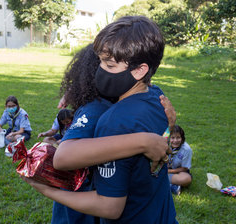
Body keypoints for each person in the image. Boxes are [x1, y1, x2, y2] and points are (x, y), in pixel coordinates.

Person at [22, 16, 178, 224]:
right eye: (99, 62)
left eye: (109, 65)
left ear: (140, 70)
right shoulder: (157, 96)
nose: (100, 70)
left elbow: (109, 206)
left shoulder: (112, 121)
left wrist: (46, 190)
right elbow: (161, 145)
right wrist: (169, 127)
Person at [168, 125, 193, 195]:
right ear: (169, 138)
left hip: (178, 171)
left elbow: (184, 169)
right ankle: (172, 186)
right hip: (164, 168)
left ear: (182, 138)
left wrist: (168, 171)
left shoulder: (186, 149)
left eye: (178, 137)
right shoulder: (164, 144)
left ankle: (162, 183)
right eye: (172, 138)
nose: (175, 141)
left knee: (187, 179)